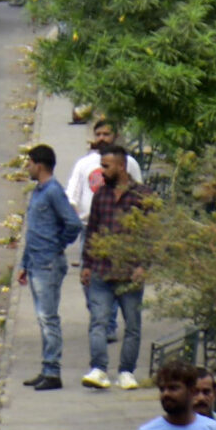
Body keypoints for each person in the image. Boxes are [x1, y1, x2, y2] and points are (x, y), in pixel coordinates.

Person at [80, 139, 149, 392]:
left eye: (106, 166)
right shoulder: (101, 196)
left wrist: (144, 265)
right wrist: (87, 264)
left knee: (132, 325)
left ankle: (126, 372)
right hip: (102, 271)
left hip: (130, 273)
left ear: (121, 167)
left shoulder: (143, 196)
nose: (102, 171)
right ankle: (99, 368)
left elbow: (151, 235)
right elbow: (93, 231)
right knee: (98, 321)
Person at [16, 145, 83, 392]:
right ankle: (46, 368)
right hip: (35, 262)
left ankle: (53, 371)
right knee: (42, 318)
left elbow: (73, 224)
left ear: (39, 165)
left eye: (30, 163)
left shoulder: (54, 192)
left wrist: (57, 244)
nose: (28, 167)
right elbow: (32, 231)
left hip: (48, 263)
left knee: (48, 318)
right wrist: (24, 263)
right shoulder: (37, 192)